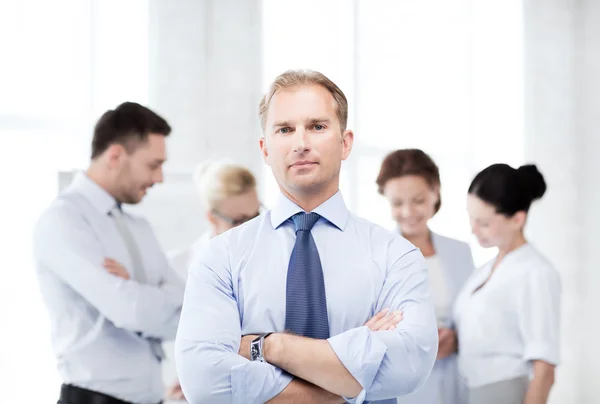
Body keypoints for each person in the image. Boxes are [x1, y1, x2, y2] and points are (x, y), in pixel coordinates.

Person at [175, 69, 438, 403]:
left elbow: (408, 366)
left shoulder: (396, 257)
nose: (301, 143)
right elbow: (204, 382)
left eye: (317, 126)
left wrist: (268, 346)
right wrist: (353, 372)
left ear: (345, 143)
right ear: (265, 149)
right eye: (285, 129)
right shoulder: (221, 257)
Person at [33, 102, 184, 404]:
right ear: (115, 155)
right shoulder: (64, 220)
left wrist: (137, 291)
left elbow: (186, 306)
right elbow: (131, 311)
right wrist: (148, 296)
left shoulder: (139, 226)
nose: (160, 178)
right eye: (153, 165)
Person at [453, 163, 561, 404]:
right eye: (471, 218)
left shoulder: (536, 273)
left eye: (484, 223)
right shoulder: (485, 270)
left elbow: (544, 370)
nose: (473, 230)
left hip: (505, 391)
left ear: (517, 219)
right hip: (471, 390)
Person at [375, 149, 474, 404]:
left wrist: (457, 338)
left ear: (436, 192)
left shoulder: (460, 252)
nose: (408, 212)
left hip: (453, 377)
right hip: (403, 383)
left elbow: (473, 316)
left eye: (418, 200)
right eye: (397, 203)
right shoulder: (377, 255)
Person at [167, 161, 261, 280]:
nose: (252, 227)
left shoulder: (272, 257)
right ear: (212, 219)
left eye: (256, 216)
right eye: (240, 220)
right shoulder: (178, 269)